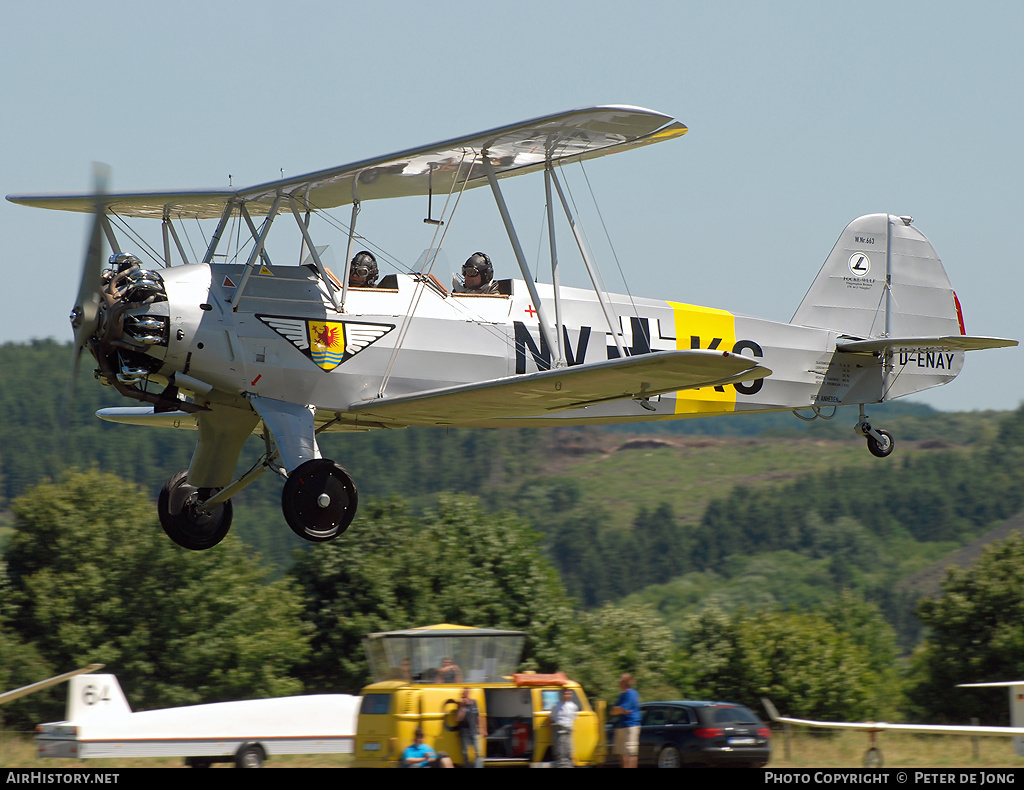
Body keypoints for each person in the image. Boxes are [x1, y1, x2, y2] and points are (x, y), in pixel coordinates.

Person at [609, 673, 640, 768]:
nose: (619, 682)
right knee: (622, 753)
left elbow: (625, 709)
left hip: (631, 726)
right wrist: (619, 709)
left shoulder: (631, 694)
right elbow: (612, 711)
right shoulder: (622, 695)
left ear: (626, 682)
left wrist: (619, 709)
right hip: (622, 725)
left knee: (631, 752)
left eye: (621, 680)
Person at [546, 687, 579, 768]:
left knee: (568, 751)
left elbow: (573, 719)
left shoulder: (573, 706)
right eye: (565, 693)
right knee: (561, 752)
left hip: (568, 730)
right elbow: (550, 718)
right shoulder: (556, 705)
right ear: (561, 694)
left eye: (569, 693)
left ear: (571, 695)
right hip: (559, 729)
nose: (567, 695)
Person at [456, 686, 486, 768]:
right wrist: (462, 706)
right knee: (465, 753)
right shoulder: (460, 704)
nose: (465, 694)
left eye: (467, 692)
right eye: (464, 692)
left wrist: (482, 728)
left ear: (469, 693)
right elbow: (458, 718)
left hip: (474, 731)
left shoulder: (474, 702)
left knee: (478, 753)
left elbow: (479, 716)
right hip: (464, 732)